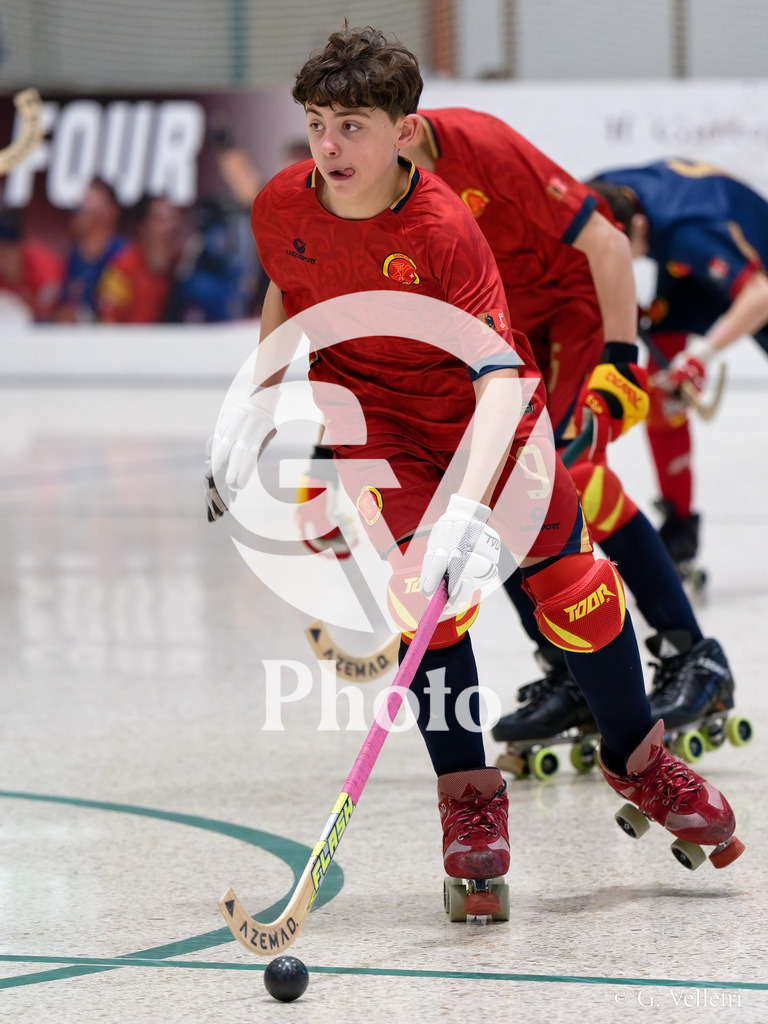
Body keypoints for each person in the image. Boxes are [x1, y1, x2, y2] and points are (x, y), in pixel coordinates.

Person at [206, 26, 743, 892]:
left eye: (352, 126)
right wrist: (254, 401)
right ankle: (467, 800)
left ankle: (639, 757)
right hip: (380, 426)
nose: (330, 147)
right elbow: (290, 286)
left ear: (401, 130)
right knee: (429, 602)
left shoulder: (444, 226)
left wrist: (465, 510)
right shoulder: (280, 202)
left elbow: (498, 378)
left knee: (574, 584)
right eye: (316, 124)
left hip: (484, 408)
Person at [395, 110, 736, 749]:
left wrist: (621, 359)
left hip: (577, 307)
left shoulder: (485, 148)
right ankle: (569, 674)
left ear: (403, 128)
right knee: (497, 496)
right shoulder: (367, 188)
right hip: (507, 328)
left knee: (575, 478)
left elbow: (606, 240)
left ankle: (696, 657)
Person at [586, 159, 768, 575]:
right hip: (686, 258)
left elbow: (760, 295)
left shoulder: (688, 233)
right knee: (661, 391)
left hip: (753, 266)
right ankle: (680, 526)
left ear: (639, 231)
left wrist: (698, 357)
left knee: (676, 371)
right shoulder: (600, 193)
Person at [96, 196, 183, 323]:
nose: (169, 228)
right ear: (143, 228)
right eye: (159, 220)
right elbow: (107, 324)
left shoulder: (184, 265)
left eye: (172, 219)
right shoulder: (122, 269)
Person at [53, 178, 126, 323]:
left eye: (86, 207)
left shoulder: (123, 257)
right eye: (78, 207)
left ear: (110, 212)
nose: (78, 213)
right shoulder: (73, 258)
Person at [0, 207, 64, 322]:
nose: (2, 258)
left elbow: (56, 313)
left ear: (20, 247)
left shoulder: (43, 267)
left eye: (5, 251)